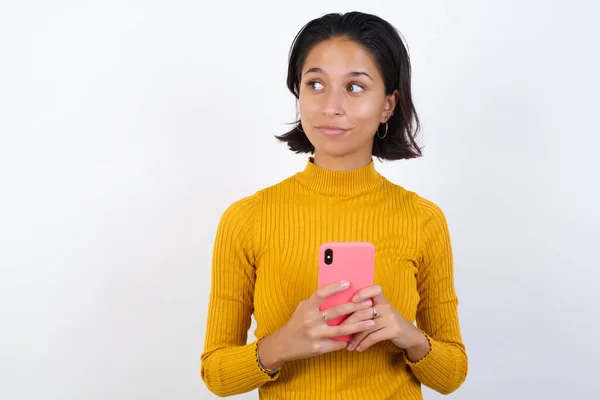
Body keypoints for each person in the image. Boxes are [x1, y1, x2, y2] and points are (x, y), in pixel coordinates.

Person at [200, 11, 468, 399]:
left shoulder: (423, 219)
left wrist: (408, 336)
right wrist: (282, 345)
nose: (331, 106)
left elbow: (452, 375)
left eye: (355, 87)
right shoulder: (247, 218)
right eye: (316, 84)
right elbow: (217, 376)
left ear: (388, 105)